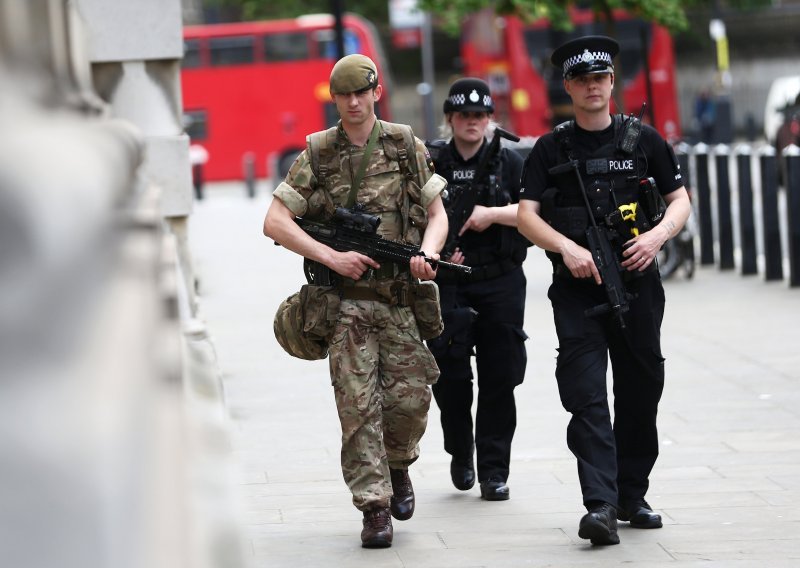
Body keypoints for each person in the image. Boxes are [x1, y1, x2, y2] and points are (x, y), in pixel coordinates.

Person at [263, 54, 448, 549]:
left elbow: (437, 213)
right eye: (342, 95)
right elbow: (275, 221)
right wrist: (333, 256)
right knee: (357, 408)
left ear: (376, 91)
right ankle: (374, 506)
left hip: (399, 299)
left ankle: (398, 463)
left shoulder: (404, 143)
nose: (352, 102)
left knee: (410, 402)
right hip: (346, 306)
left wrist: (427, 253)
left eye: (359, 93)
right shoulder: (320, 153)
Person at [517, 36, 691, 546]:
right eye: (581, 80)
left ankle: (633, 494)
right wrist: (567, 249)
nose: (592, 87)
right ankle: (601, 504)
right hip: (577, 291)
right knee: (586, 395)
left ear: (612, 83)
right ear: (568, 86)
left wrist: (659, 236)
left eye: (601, 78)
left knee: (641, 390)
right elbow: (526, 215)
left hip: (638, 286)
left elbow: (679, 200)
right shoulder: (551, 148)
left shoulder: (645, 141)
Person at [425, 78, 529, 501]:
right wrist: (438, 255)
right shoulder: (432, 162)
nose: (473, 122)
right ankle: (460, 452)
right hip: (451, 283)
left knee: (500, 376)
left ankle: (493, 468)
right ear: (451, 118)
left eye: (480, 115)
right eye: (465, 115)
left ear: (489, 119)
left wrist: (492, 214)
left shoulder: (509, 162)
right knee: (449, 377)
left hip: (501, 279)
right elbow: (417, 214)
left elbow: (535, 211)